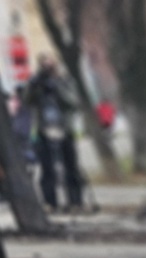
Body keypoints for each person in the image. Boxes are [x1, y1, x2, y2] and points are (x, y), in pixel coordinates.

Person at [23, 57, 84, 212]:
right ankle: (50, 203)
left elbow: (73, 102)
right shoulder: (37, 84)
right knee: (47, 169)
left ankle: (75, 202)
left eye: (50, 67)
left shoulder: (65, 81)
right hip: (43, 130)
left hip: (65, 129)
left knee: (71, 168)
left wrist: (57, 87)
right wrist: (34, 84)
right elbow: (26, 101)